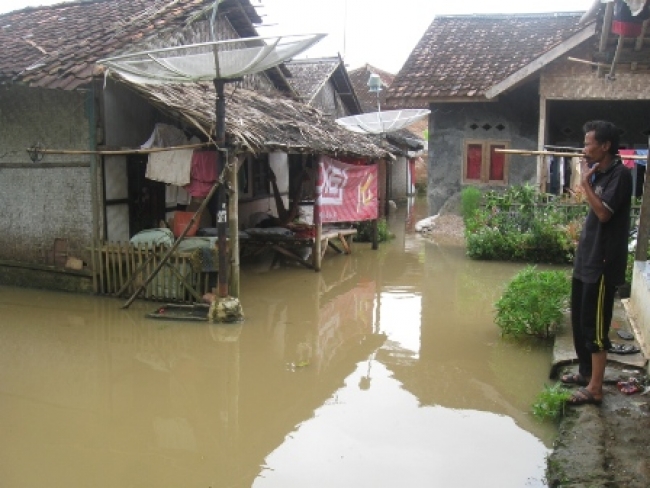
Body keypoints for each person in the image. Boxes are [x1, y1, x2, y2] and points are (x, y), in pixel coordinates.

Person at [561, 120, 633, 406]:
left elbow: (604, 214)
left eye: (589, 143)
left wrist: (584, 184)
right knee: (579, 321)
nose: (585, 148)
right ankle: (585, 373)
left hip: (603, 263)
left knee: (595, 327)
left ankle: (596, 389)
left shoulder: (620, 175)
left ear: (605, 146)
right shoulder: (599, 173)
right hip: (586, 259)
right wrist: (589, 181)